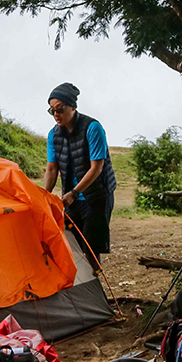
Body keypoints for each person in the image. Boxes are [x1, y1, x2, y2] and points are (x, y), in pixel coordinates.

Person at [43, 82, 117, 262]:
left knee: (91, 249)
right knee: (70, 246)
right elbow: (52, 168)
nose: (56, 115)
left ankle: (94, 287)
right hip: (71, 199)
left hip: (96, 197)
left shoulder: (92, 128)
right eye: (52, 111)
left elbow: (97, 168)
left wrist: (75, 193)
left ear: (73, 107)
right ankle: (78, 288)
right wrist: (44, 195)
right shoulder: (54, 135)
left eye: (60, 109)